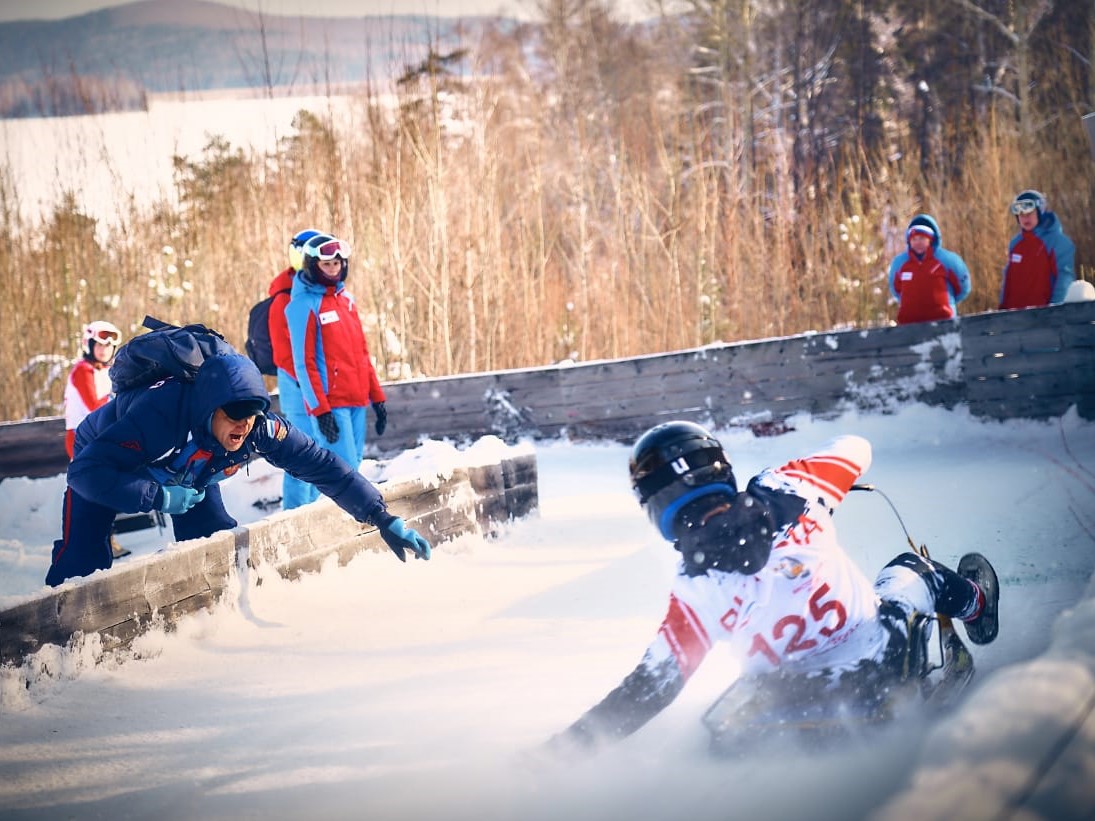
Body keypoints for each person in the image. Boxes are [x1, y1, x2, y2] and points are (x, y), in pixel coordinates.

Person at [547, 421, 999, 751]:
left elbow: (647, 691)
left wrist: (560, 753)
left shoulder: (694, 592)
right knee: (910, 567)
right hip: (881, 663)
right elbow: (856, 446)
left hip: (801, 700)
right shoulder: (790, 487)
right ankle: (977, 604)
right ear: (719, 468)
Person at [45, 349, 430, 587]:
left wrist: (381, 517)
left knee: (214, 547)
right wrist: (158, 496)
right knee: (83, 565)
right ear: (208, 407)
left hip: (187, 471)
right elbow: (84, 473)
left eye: (253, 412)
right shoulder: (161, 415)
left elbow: (325, 467)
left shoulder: (259, 429)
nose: (244, 424)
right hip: (108, 460)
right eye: (234, 413)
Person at [285, 234, 388, 503]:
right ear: (312, 265)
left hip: (356, 399)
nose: (333, 269)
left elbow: (362, 354)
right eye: (326, 264)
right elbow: (303, 363)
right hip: (332, 405)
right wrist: (320, 410)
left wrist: (377, 398)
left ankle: (353, 525)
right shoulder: (303, 305)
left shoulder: (347, 301)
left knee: (353, 467)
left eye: (337, 263)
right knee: (341, 474)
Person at [269, 227, 326, 510]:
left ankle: (314, 511)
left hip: (316, 382)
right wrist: (311, 386)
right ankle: (294, 515)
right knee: (301, 451)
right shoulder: (283, 297)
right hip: (296, 382)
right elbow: (285, 353)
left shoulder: (319, 291)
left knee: (322, 454)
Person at [887, 214, 971, 325]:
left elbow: (963, 287)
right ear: (909, 241)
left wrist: (947, 303)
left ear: (930, 239)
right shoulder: (900, 263)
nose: (917, 243)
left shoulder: (947, 259)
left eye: (922, 238)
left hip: (943, 323)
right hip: (908, 325)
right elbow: (896, 289)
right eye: (914, 239)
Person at [999, 189, 1076, 310]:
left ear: (1040, 212)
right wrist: (1002, 309)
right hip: (1012, 318)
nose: (1025, 218)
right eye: (1021, 214)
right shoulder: (1015, 244)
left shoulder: (1058, 242)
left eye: (1030, 213)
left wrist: (1054, 311)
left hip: (1043, 319)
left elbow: (1064, 279)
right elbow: (1008, 281)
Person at [63, 320, 121, 459]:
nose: (104, 350)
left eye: (108, 345)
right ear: (89, 345)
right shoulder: (83, 370)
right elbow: (93, 406)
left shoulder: (108, 371)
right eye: (99, 345)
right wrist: (117, 398)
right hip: (81, 437)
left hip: (101, 433)